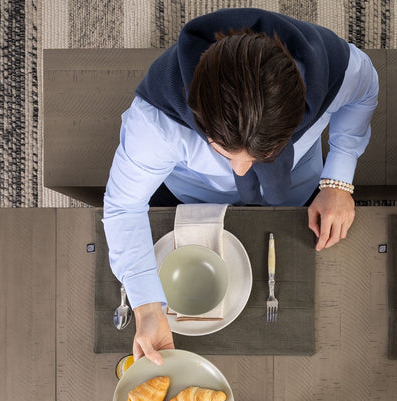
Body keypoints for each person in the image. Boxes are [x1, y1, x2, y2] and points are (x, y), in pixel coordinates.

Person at [105, 9, 378, 364]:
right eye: (223, 151)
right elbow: (124, 207)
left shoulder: (336, 70)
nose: (239, 169)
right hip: (191, 194)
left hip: (301, 186)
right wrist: (146, 308)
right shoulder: (155, 122)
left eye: (261, 155)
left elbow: (364, 89)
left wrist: (338, 181)